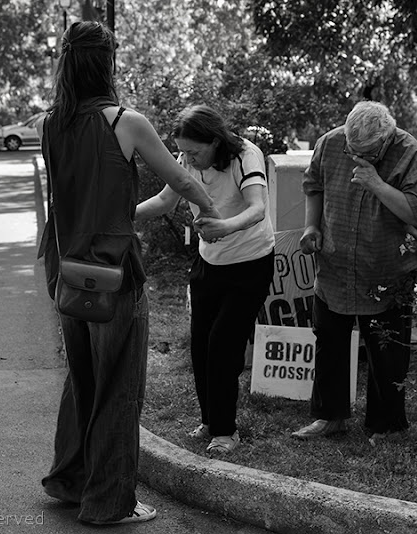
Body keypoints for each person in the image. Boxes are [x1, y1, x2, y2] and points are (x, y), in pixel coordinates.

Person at [37, 22, 219, 525]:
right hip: (112, 272)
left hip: (65, 266)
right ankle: (110, 503)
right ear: (108, 65)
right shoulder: (126, 121)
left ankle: (68, 482)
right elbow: (179, 178)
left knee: (83, 378)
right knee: (119, 385)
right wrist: (211, 213)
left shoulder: (50, 123)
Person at [291, 101, 417, 441]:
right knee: (329, 341)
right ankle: (330, 416)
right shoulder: (329, 143)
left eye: (368, 154)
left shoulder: (410, 154)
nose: (358, 159)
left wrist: (377, 183)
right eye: (352, 151)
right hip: (336, 263)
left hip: (385, 269)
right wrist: (311, 228)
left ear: (387, 138)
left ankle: (386, 425)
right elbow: (314, 186)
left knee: (387, 352)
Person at [136, 105, 275, 454]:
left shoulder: (246, 155)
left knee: (223, 345)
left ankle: (227, 432)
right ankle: (210, 421)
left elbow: (257, 208)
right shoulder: (188, 160)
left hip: (251, 263)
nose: (187, 159)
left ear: (215, 141)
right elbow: (166, 200)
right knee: (200, 345)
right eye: (182, 152)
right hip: (208, 263)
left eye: (194, 152)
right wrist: (125, 214)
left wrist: (223, 228)